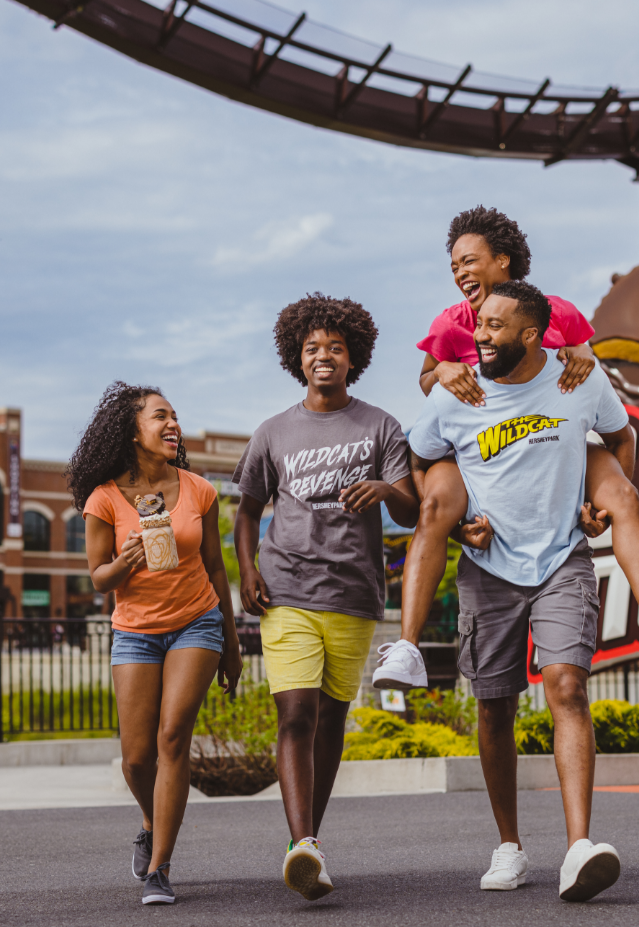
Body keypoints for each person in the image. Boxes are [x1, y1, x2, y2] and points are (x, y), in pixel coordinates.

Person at [374, 206, 639, 691]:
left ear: (503, 260)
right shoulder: (451, 323)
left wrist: (582, 353)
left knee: (621, 494)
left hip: (551, 436)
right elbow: (427, 381)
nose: (459, 272)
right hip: (480, 447)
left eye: (468, 260)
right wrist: (441, 372)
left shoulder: (554, 312)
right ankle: (408, 648)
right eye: (453, 266)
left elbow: (587, 364)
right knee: (435, 502)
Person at [407, 280, 639, 901]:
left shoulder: (578, 379)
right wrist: (453, 516)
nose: (479, 334)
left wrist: (603, 501)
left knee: (567, 686)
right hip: (488, 565)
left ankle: (579, 847)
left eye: (495, 325)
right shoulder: (456, 389)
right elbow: (420, 459)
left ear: (530, 334)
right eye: (478, 324)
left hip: (561, 559)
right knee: (495, 705)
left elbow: (622, 434)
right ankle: (510, 847)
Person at [232, 294, 417, 901]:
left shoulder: (381, 426)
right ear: (297, 357)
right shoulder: (273, 431)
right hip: (286, 590)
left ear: (352, 356)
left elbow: (413, 509)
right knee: (297, 714)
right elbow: (247, 510)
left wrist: (385, 488)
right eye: (312, 348)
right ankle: (303, 842)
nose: (323, 356)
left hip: (354, 594)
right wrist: (247, 570)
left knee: (332, 722)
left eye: (334, 348)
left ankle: (308, 838)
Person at [68, 382, 243, 906]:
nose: (173, 425)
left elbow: (215, 567)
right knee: (136, 758)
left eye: (175, 417)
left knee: (173, 739)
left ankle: (160, 868)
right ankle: (150, 821)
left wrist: (232, 646)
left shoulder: (199, 490)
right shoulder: (103, 498)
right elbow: (99, 578)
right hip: (136, 632)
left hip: (197, 622)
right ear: (132, 430)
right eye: (160, 417)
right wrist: (128, 560)